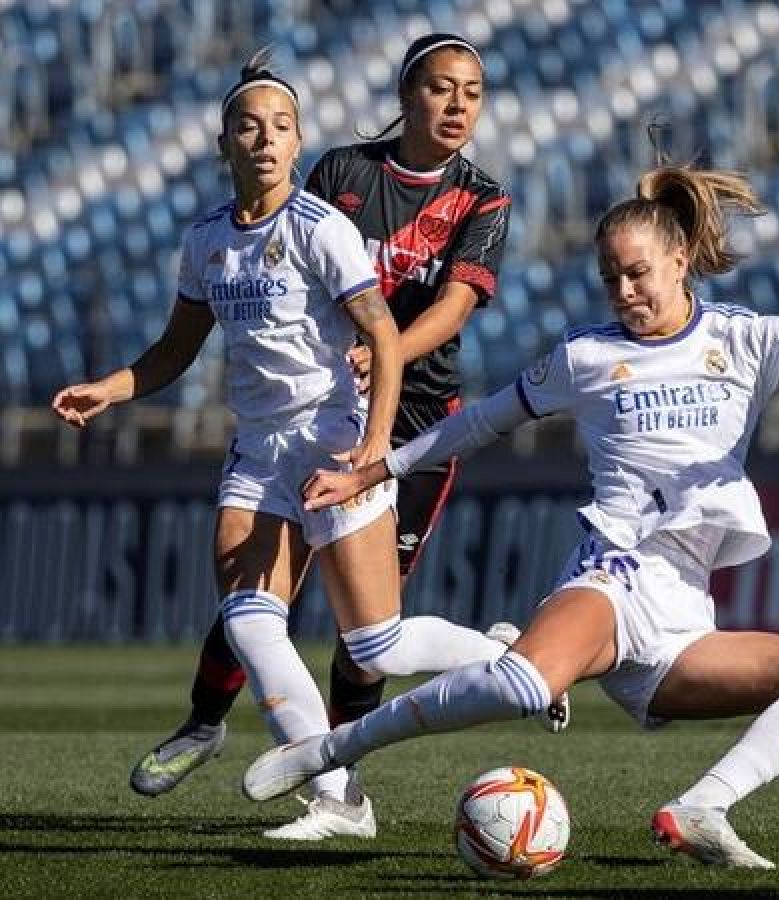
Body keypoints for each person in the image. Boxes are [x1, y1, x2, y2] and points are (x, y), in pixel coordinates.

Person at [240, 161, 779, 867]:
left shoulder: (746, 340)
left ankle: (703, 806)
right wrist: (373, 467)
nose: (623, 291)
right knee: (525, 687)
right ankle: (332, 749)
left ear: (680, 260)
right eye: (610, 278)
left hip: (684, 613)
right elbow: (480, 423)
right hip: (613, 572)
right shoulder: (586, 356)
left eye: (637, 273)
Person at [57, 51, 511, 840]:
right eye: (249, 125)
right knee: (249, 618)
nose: (265, 140)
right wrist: (113, 385)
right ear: (222, 141)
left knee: (375, 641)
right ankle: (336, 795)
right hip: (260, 449)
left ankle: (513, 658)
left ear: (297, 144)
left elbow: (393, 330)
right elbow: (176, 348)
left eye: (280, 127)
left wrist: (368, 454)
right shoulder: (207, 239)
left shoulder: (327, 226)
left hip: (344, 431)